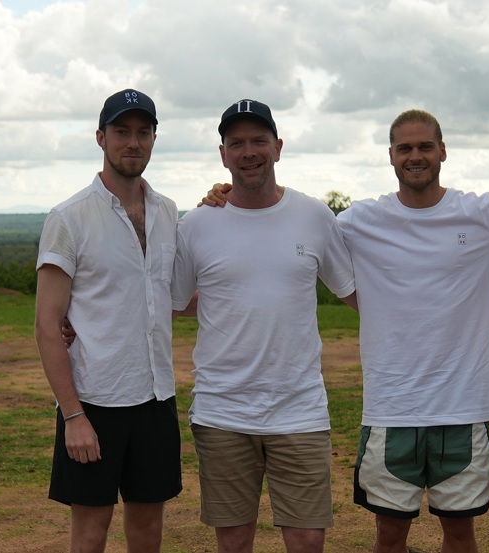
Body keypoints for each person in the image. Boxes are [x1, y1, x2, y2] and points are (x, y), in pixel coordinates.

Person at [203, 108, 489, 553]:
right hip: (392, 408)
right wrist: (224, 198)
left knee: (460, 534)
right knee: (389, 535)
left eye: (425, 146)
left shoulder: (485, 214)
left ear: (443, 151)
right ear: (390, 156)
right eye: (405, 148)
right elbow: (285, 222)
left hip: (465, 406)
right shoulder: (357, 221)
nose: (415, 156)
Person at [170, 99, 357, 553]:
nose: (248, 151)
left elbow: (353, 293)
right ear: (223, 153)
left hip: (299, 407)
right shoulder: (195, 225)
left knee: (308, 538)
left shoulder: (314, 217)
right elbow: (175, 303)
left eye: (258, 140)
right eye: (237, 143)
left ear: (278, 147)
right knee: (233, 540)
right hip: (222, 410)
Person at [34, 89, 182, 553]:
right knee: (90, 534)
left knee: (148, 532)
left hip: (156, 397)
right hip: (94, 401)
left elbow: (170, 296)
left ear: (155, 138)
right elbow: (46, 323)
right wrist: (73, 416)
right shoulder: (69, 217)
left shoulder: (168, 212)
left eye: (143, 132)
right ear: (101, 137)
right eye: (122, 132)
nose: (132, 142)